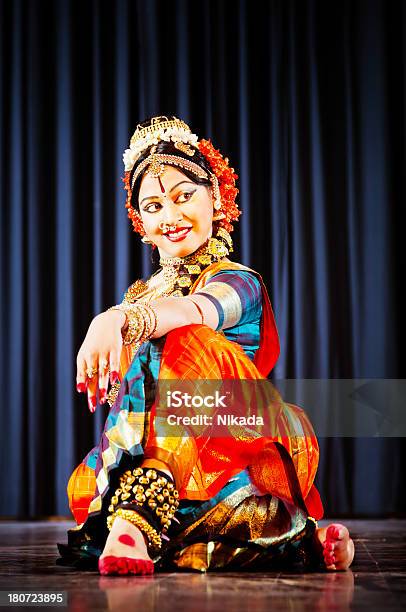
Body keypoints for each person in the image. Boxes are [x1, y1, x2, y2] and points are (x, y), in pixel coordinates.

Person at [57, 115, 355, 575]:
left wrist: (118, 319)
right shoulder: (140, 296)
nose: (170, 217)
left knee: (185, 341)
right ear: (140, 221)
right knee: (85, 483)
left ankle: (134, 523)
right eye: (153, 206)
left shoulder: (237, 281)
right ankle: (298, 538)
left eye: (183, 197)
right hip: (177, 463)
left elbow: (196, 311)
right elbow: (128, 406)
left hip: (237, 435)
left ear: (215, 197)